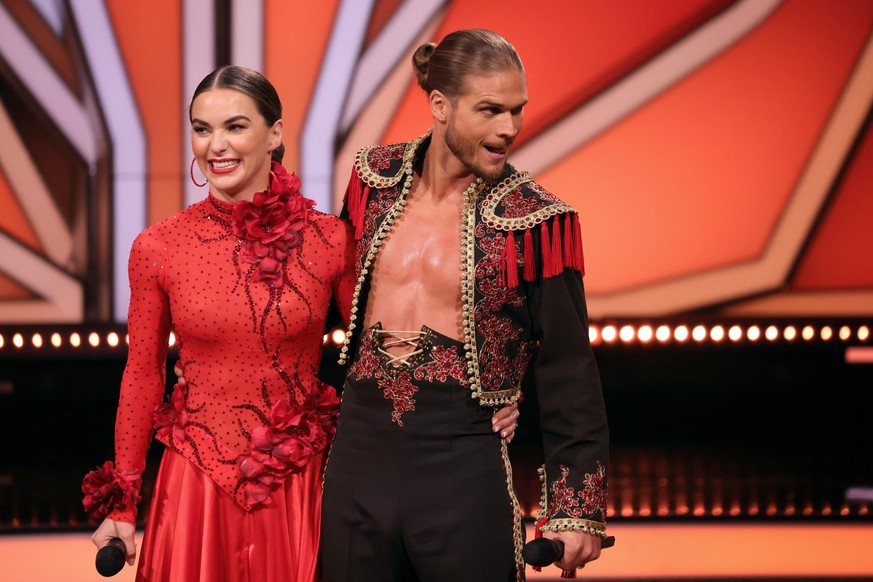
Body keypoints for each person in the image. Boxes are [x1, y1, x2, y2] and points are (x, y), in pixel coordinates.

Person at [81, 65, 519, 582]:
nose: (215, 145)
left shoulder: (330, 240)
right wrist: (123, 503)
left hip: (299, 483)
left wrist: (488, 390)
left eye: (235, 127)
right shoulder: (157, 247)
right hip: (194, 485)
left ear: (276, 134)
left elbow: (379, 347)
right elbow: (142, 376)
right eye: (202, 129)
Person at [320, 29, 609, 582]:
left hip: (461, 466)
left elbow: (570, 370)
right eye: (490, 110)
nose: (508, 129)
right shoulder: (371, 180)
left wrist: (576, 509)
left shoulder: (538, 221)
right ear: (440, 106)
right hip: (357, 459)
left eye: (517, 111)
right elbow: (324, 302)